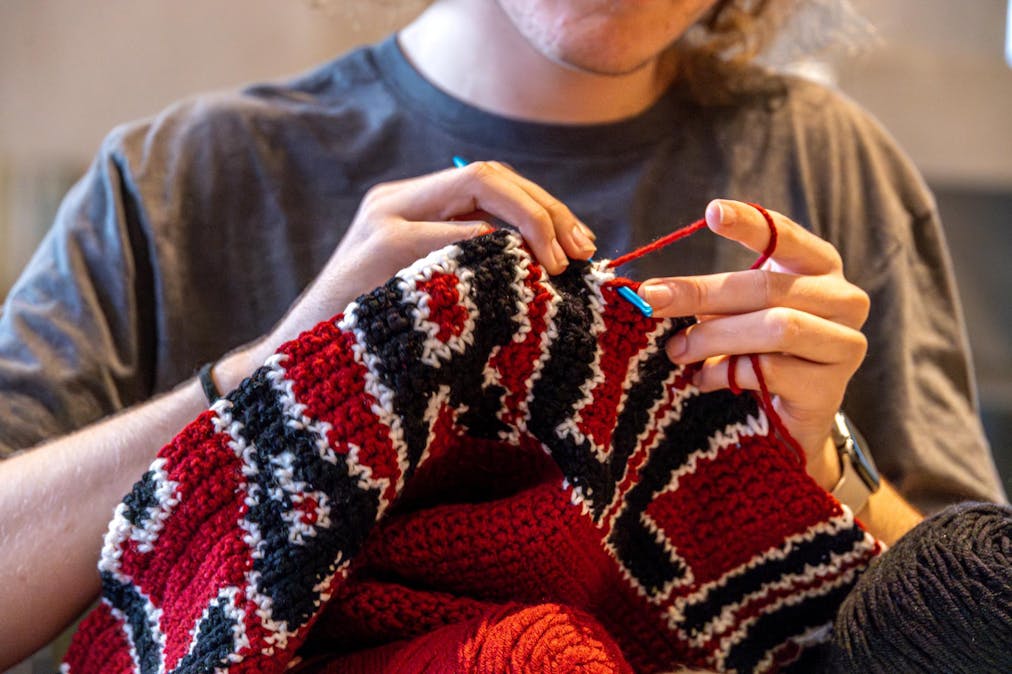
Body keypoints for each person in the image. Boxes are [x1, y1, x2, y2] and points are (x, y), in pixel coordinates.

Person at [0, 0, 1004, 667]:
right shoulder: (181, 177)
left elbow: (973, 619)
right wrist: (280, 368)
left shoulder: (828, 162)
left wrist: (827, 464)